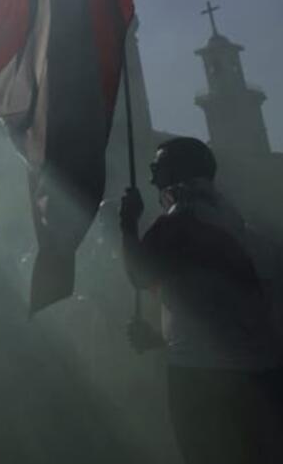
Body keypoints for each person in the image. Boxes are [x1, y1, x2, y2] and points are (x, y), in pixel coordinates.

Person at [120, 136, 283, 464]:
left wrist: (127, 223)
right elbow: (221, 314)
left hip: (201, 381)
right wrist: (160, 339)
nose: (151, 178)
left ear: (178, 170)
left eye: (157, 168)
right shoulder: (238, 224)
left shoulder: (180, 221)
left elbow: (139, 275)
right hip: (263, 376)